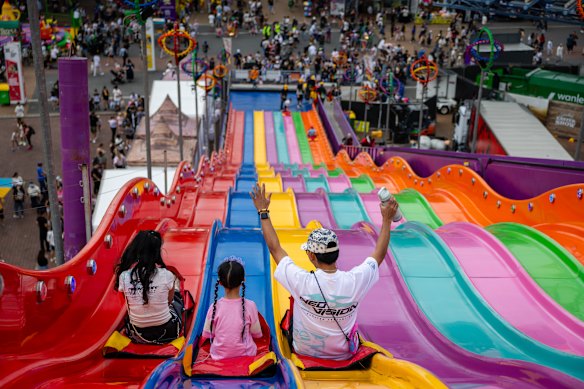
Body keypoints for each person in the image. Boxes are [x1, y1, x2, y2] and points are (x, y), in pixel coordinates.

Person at [250, 183, 398, 360]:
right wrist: (387, 220)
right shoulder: (354, 280)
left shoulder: (301, 281)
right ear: (336, 253)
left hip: (304, 352)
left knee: (289, 315)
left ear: (312, 256)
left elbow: (275, 248)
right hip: (343, 354)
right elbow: (378, 255)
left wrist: (263, 211)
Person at [115, 230, 183, 344]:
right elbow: (169, 301)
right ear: (157, 252)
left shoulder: (124, 276)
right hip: (167, 332)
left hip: (137, 333)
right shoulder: (166, 274)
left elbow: (128, 303)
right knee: (177, 299)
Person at [202, 257, 263, 360]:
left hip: (218, 356)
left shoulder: (214, 307)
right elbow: (257, 334)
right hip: (246, 355)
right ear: (243, 279)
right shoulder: (250, 305)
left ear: (220, 283)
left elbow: (208, 334)